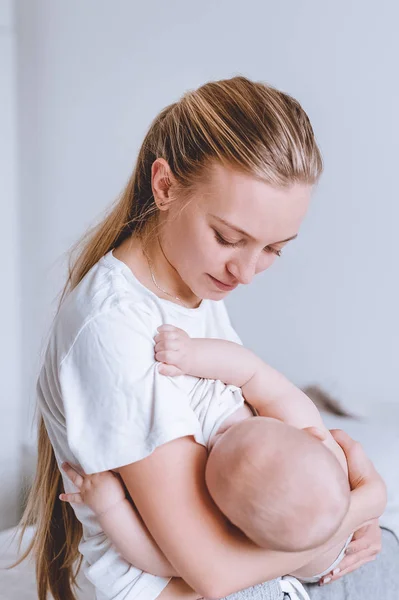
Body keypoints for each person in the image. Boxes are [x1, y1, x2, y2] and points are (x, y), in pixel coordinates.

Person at [15, 75, 393, 600]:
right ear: (165, 186)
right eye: (229, 238)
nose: (245, 272)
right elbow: (211, 572)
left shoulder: (193, 289)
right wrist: (361, 505)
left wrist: (346, 518)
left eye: (274, 249)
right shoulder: (115, 329)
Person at [59, 325, 355, 586]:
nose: (216, 433)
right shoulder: (299, 419)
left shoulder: (243, 519)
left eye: (217, 445)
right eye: (228, 431)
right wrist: (192, 355)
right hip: (334, 521)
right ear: (310, 435)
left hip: (322, 562)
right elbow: (253, 370)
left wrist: (110, 506)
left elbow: (162, 560)